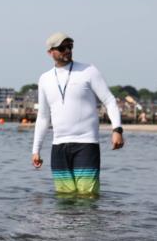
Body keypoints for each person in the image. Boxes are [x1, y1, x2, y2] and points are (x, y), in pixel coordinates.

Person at [31, 33, 124, 195]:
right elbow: (43, 117)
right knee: (64, 199)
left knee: (87, 197)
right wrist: (36, 149)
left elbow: (109, 100)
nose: (67, 50)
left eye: (70, 47)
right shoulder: (44, 79)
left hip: (86, 144)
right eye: (62, 48)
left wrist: (117, 130)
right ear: (50, 52)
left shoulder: (89, 71)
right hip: (59, 147)